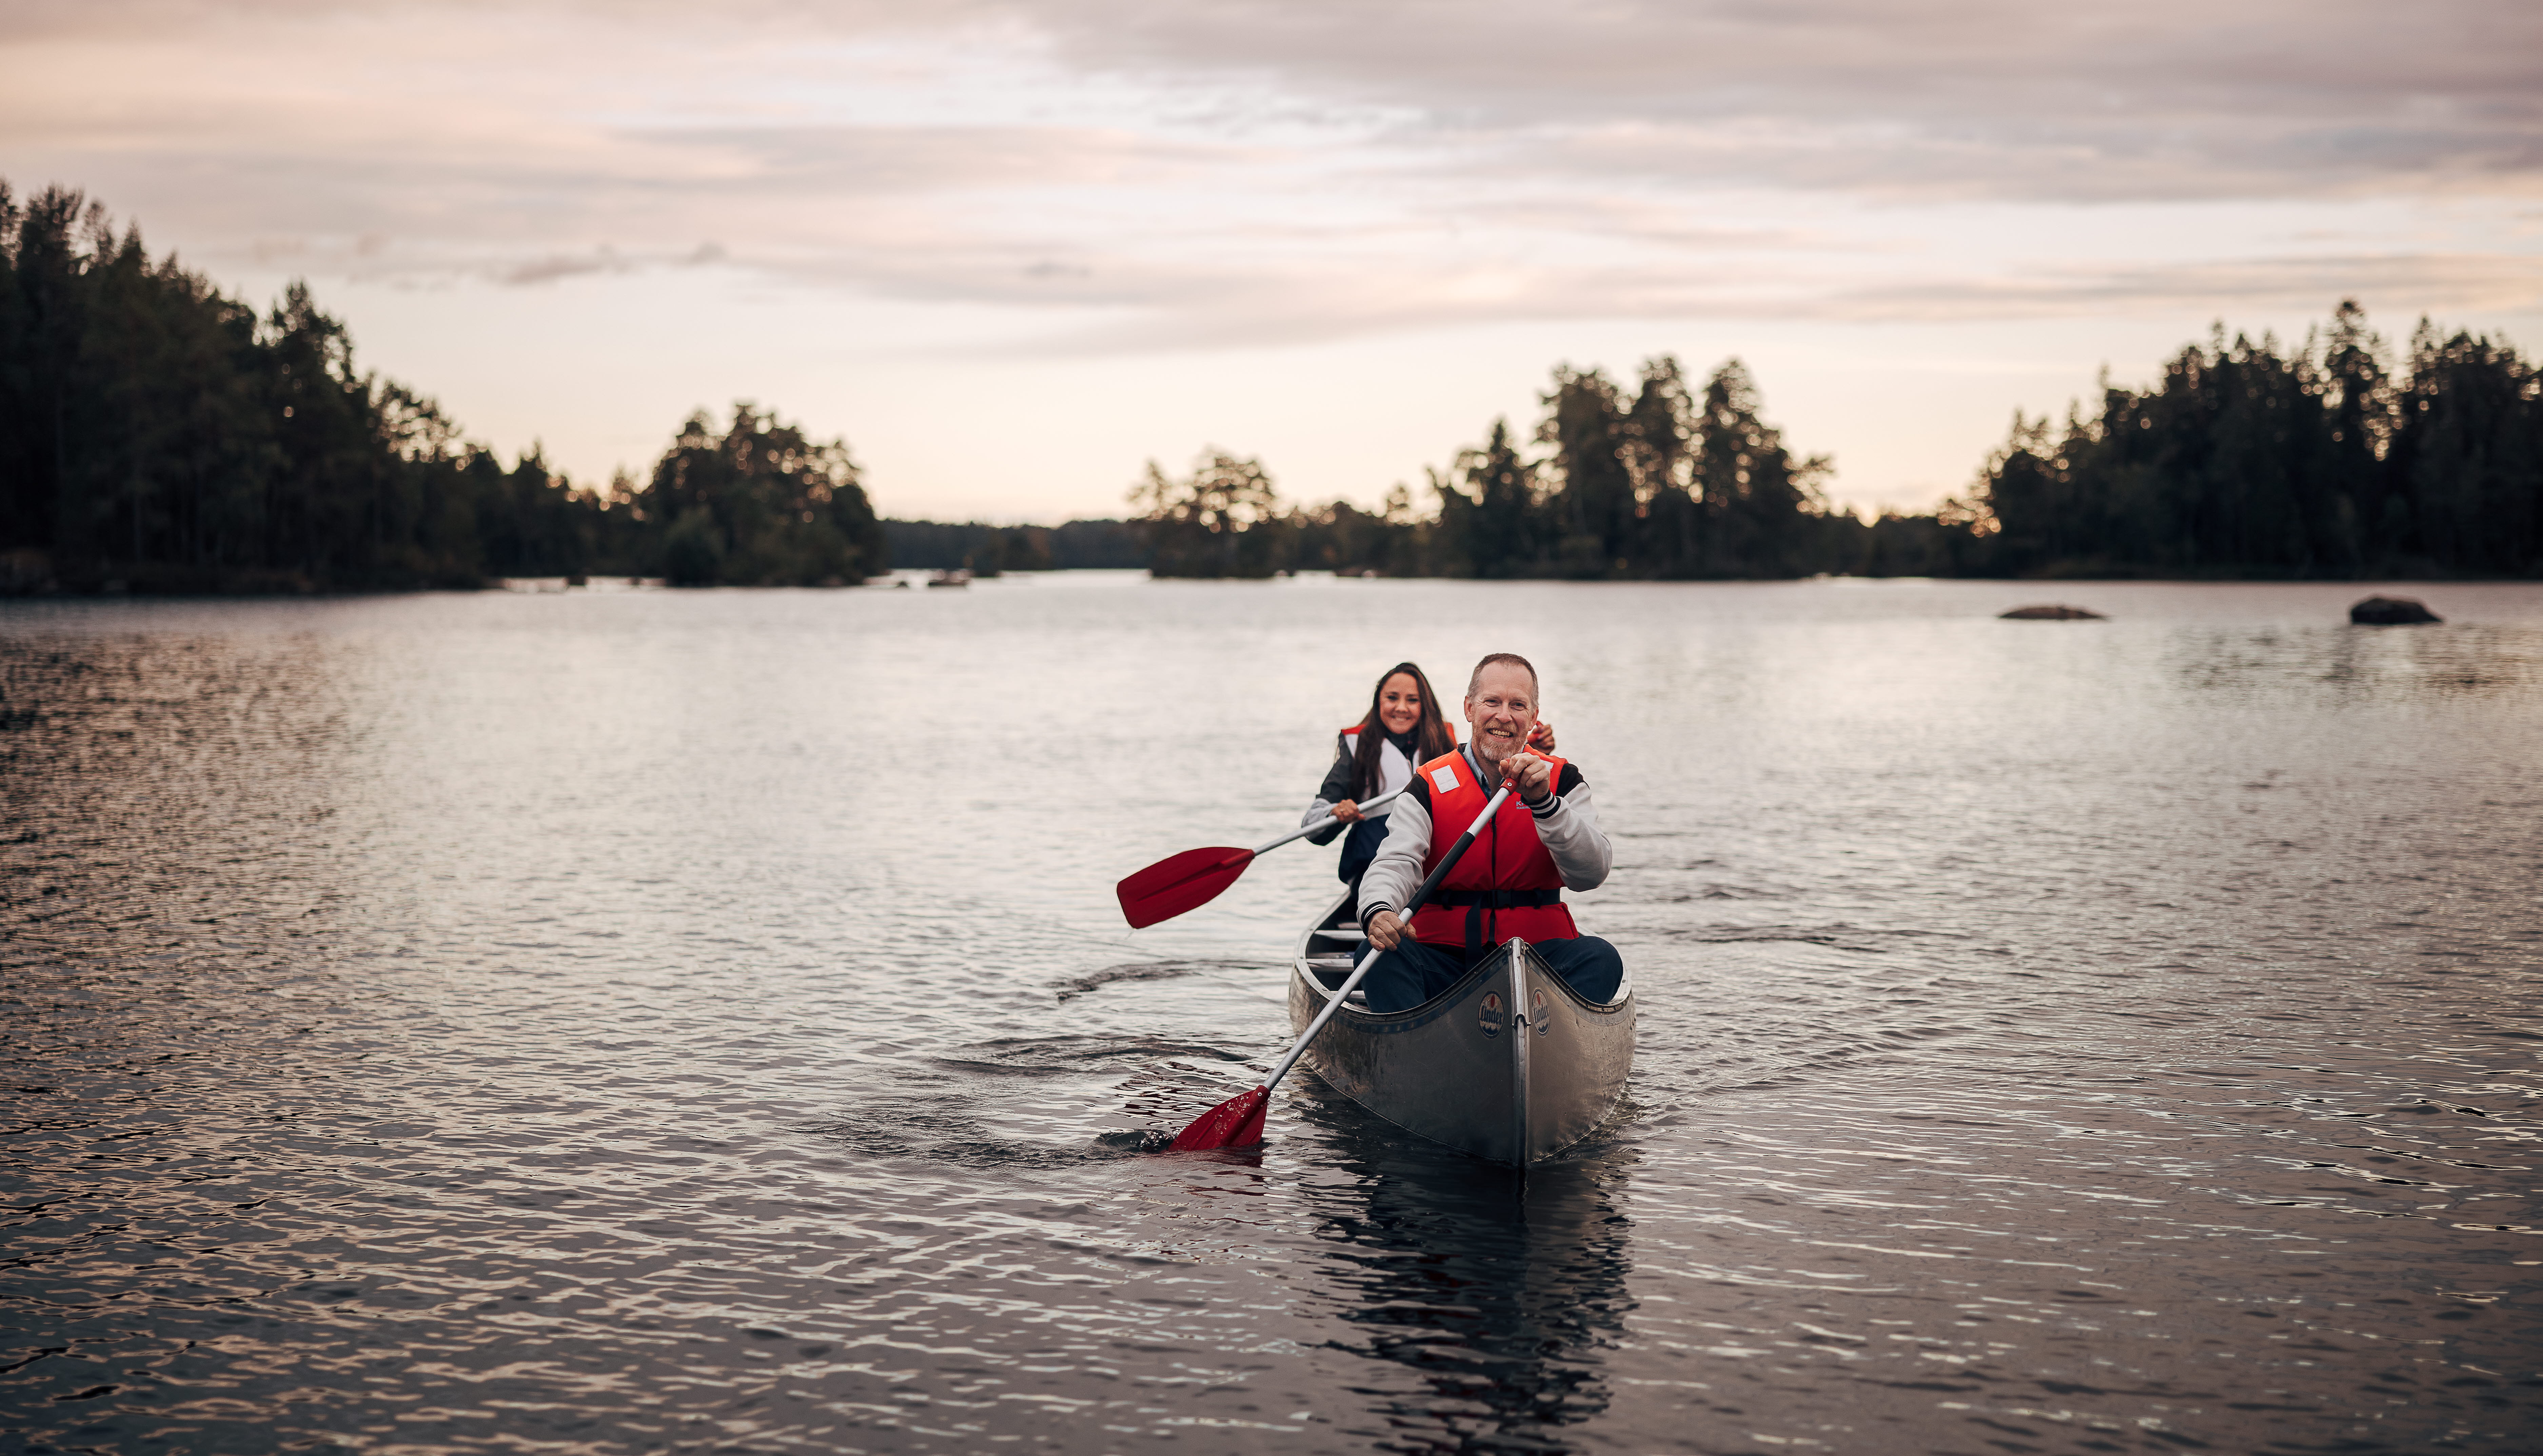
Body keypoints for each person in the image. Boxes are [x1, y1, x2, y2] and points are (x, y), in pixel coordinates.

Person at [1355, 652, 1620, 1015]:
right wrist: (1379, 909)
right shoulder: (1427, 785)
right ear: (1469, 708)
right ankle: (1420, 1042)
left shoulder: (1563, 781)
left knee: (1602, 958)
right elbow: (1395, 862)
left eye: (1518, 705)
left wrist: (1546, 805)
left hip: (1537, 960)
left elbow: (1592, 873)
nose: (1504, 716)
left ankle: (1547, 1033)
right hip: (1445, 958)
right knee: (1376, 955)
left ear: (1534, 717)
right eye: (1492, 702)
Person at [1301, 663, 1459, 889]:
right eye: (1392, 698)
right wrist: (1335, 812)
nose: (1401, 708)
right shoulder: (1356, 747)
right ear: (1378, 702)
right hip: (1375, 874)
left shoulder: (1447, 748)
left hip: (1434, 874)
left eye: (1413, 700)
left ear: (1425, 705)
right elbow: (1312, 824)